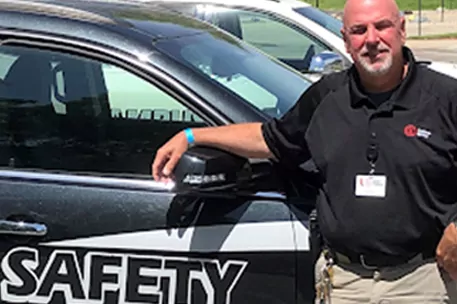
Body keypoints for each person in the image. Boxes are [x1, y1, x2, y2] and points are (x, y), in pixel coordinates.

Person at [152, 0, 457, 302]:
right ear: (346, 40)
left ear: (401, 29)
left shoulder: (445, 99)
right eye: (359, 30)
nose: (372, 40)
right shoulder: (326, 96)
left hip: (422, 281)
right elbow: (271, 139)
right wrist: (192, 136)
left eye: (382, 26)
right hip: (344, 283)